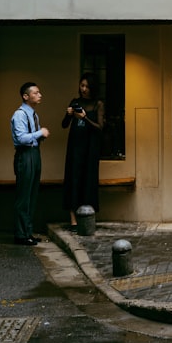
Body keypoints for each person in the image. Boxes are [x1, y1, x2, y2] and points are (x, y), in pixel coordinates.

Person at [61, 74, 105, 231]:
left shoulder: (98, 104)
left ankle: (88, 216)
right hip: (75, 147)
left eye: (87, 86)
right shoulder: (75, 102)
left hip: (91, 149)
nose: (84, 89)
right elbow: (64, 125)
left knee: (89, 180)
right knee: (74, 180)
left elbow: (99, 128)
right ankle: (73, 219)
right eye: (82, 86)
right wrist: (68, 114)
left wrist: (84, 118)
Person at [11, 81, 49, 246]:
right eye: (35, 93)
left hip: (34, 153)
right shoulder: (20, 114)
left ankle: (27, 232)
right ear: (25, 96)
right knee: (24, 196)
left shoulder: (34, 115)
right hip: (25, 155)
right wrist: (40, 132)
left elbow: (32, 136)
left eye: (39, 92)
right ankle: (20, 234)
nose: (39, 95)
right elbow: (21, 138)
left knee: (32, 194)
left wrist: (40, 135)